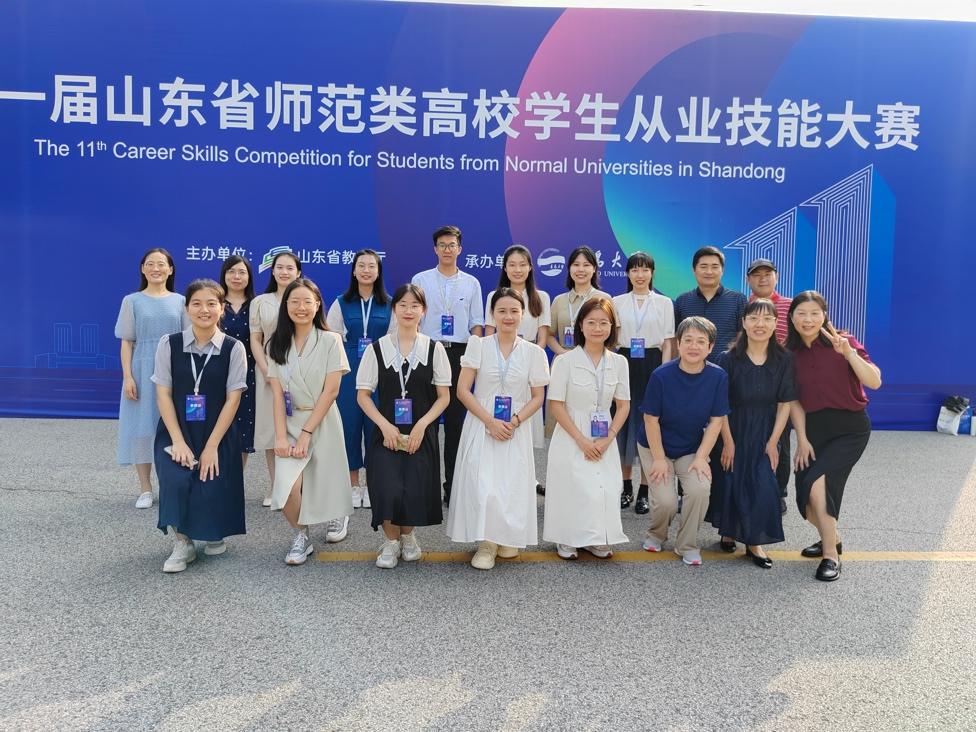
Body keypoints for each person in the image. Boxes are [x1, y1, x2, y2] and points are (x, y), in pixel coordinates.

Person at [447, 288, 550, 569]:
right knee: (482, 482)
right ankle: (486, 543)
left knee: (510, 483)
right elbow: (462, 390)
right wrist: (490, 421)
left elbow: (538, 397)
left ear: (523, 315)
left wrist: (514, 421)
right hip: (482, 424)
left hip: (515, 426)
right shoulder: (478, 345)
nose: (508, 316)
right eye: (501, 311)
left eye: (514, 311)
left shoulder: (533, 352)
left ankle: (506, 535)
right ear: (492, 314)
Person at [151, 279, 247, 573]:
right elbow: (163, 394)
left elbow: (233, 400)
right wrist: (178, 441)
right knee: (175, 480)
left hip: (216, 431)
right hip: (176, 429)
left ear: (222, 309)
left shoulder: (234, 348)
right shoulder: (169, 344)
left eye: (211, 304)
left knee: (210, 483)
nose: (204, 310)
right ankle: (183, 543)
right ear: (187, 308)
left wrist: (212, 446)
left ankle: (212, 532)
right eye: (196, 304)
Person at [787, 291, 881, 582]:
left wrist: (849, 354)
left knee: (819, 488)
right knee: (806, 500)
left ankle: (830, 556)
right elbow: (793, 401)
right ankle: (833, 537)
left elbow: (875, 381)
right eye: (802, 313)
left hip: (850, 428)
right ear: (791, 317)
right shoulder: (788, 353)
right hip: (813, 431)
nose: (808, 319)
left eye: (815, 313)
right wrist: (802, 439)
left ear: (824, 316)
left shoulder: (844, 342)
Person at [357, 284, 452, 569]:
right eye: (403, 305)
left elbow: (444, 397)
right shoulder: (377, 349)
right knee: (386, 485)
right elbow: (363, 395)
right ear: (394, 309)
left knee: (414, 487)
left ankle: (408, 536)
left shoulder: (434, 349)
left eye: (415, 305)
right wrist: (384, 426)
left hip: (421, 432)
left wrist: (423, 424)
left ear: (424, 311)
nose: (408, 311)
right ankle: (390, 542)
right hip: (386, 432)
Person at [267, 278, 353, 565]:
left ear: (317, 305)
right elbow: (276, 394)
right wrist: (280, 436)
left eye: (307, 301)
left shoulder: (330, 340)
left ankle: (338, 514)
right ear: (285, 306)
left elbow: (332, 391)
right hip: (290, 419)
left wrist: (306, 433)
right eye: (294, 302)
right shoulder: (276, 344)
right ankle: (301, 534)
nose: (301, 307)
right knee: (287, 487)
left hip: (322, 418)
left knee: (328, 477)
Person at [709, 299, 796, 569]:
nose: (760, 324)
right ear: (744, 323)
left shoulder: (784, 359)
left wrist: (773, 442)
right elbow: (720, 404)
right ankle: (728, 531)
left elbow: (785, 403)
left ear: (776, 323)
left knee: (762, 482)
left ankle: (754, 542)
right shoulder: (727, 359)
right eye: (754, 318)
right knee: (730, 479)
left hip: (766, 430)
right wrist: (727, 442)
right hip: (732, 427)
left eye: (767, 319)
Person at [637, 316, 729, 566]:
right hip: (656, 445)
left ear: (710, 347)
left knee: (700, 489)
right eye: (687, 340)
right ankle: (656, 534)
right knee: (666, 501)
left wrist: (701, 457)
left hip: (690, 448)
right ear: (678, 343)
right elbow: (650, 420)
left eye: (701, 341)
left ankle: (686, 544)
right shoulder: (661, 375)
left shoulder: (718, 376)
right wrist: (659, 459)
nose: (693, 346)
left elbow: (716, 421)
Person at [542, 298, 630, 560]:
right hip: (572, 432)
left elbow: (623, 405)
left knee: (603, 486)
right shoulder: (565, 361)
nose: (597, 328)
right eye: (591, 322)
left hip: (604, 434)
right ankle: (567, 538)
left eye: (604, 323)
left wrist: (609, 437)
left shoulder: (619, 362)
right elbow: (556, 405)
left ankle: (596, 538)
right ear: (580, 325)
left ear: (612, 327)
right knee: (573, 486)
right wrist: (581, 440)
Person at [411, 226, 484, 506]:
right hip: (428, 351)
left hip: (459, 355)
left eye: (452, 245)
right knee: (424, 421)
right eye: (442, 245)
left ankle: (452, 487)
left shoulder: (471, 283)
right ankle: (423, 486)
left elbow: (476, 324)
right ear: (435, 249)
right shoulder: (421, 280)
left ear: (460, 249)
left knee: (455, 424)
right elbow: (414, 319)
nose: (447, 250)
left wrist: (473, 358)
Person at [115, 248, 188, 509]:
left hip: (174, 369)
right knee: (142, 429)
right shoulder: (132, 301)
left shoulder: (181, 301)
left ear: (171, 269)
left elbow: (188, 339)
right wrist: (128, 377)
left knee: (173, 427)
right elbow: (127, 342)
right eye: (150, 264)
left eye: (161, 264)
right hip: (142, 368)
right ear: (143, 269)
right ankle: (145, 488)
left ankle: (172, 485)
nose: (156, 268)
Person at [326, 249, 395, 511]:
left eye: (371, 266)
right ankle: (353, 485)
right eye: (361, 266)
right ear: (354, 271)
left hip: (380, 367)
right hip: (349, 368)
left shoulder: (389, 303)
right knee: (350, 426)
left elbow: (395, 338)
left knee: (376, 426)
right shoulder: (341, 303)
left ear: (378, 272)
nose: (366, 270)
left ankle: (373, 485)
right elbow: (332, 338)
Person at [612, 252, 674, 515]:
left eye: (645, 270)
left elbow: (668, 342)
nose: (640, 275)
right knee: (624, 426)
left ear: (652, 273)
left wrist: (664, 373)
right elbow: (612, 341)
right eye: (635, 270)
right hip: (624, 362)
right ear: (627, 273)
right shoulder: (616, 301)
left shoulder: (664, 303)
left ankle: (644, 491)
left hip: (653, 364)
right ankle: (625, 487)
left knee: (649, 425)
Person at [483, 245, 552, 457]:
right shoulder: (494, 296)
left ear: (530, 267)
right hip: (499, 361)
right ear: (504, 268)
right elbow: (488, 334)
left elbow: (543, 338)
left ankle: (524, 472)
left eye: (522, 265)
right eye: (512, 265)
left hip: (527, 363)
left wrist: (526, 359)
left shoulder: (541, 297)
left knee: (524, 426)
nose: (517, 270)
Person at [544, 246, 612, 450]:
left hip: (594, 364)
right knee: (561, 415)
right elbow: (549, 335)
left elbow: (612, 335)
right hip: (564, 362)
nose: (581, 269)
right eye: (576, 265)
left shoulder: (604, 299)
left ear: (594, 269)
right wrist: (563, 353)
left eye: (586, 265)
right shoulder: (559, 301)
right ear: (569, 269)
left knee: (590, 411)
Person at [250, 251, 301, 506]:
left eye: (289, 268)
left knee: (298, 426)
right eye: (279, 267)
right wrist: (266, 370)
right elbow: (255, 339)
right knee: (273, 431)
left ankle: (298, 487)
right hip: (268, 372)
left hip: (299, 371)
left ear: (298, 272)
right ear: (272, 271)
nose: (284, 272)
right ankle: (276, 487)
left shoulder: (302, 298)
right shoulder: (260, 302)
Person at [746, 258, 793, 514]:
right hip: (749, 380)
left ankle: (778, 491)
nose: (762, 278)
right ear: (748, 280)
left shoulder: (790, 306)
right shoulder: (744, 306)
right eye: (757, 274)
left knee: (780, 439)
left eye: (768, 274)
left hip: (781, 381)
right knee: (749, 436)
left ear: (777, 277)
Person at [672, 246, 747, 359]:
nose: (709, 272)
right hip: (690, 366)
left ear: (722, 270)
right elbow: (676, 338)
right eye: (703, 267)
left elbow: (742, 336)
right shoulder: (682, 301)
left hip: (727, 367)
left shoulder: (738, 300)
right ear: (694, 270)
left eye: (715, 267)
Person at [219, 255, 256, 463]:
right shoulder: (215, 302)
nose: (236, 276)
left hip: (248, 374)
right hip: (217, 371)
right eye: (231, 271)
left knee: (243, 428)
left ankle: (237, 478)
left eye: (242, 272)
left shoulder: (256, 304)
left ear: (249, 277)